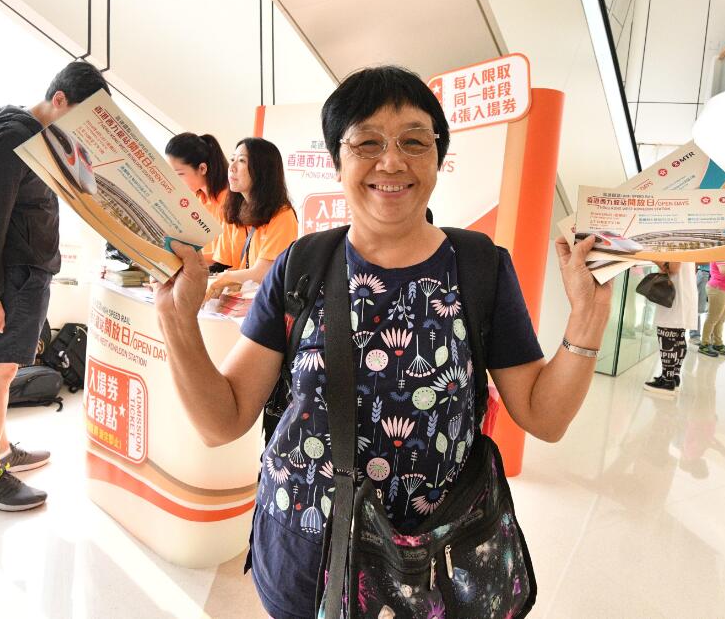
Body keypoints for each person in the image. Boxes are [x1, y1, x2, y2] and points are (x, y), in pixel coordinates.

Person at [154, 65, 612, 618]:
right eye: (367, 142)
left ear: (438, 157)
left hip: (434, 561)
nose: (391, 162)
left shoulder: (479, 268)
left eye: (414, 142)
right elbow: (221, 421)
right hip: (305, 555)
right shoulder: (303, 264)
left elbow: (545, 416)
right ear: (337, 160)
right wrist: (177, 321)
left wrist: (587, 317)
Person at [0, 60, 110, 510]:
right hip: (12, 276)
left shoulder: (39, 139)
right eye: (81, 117)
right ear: (60, 100)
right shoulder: (12, 137)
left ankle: (1, 453)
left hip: (27, 274)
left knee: (5, 372)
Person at [207, 137, 297, 299]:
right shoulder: (233, 211)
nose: (232, 167)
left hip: (265, 302)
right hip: (238, 300)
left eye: (242, 161)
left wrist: (226, 278)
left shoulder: (282, 215)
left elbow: (263, 273)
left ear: (262, 170)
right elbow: (226, 265)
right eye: (232, 159)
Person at [165, 132, 230, 261]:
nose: (175, 181)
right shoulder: (198, 199)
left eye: (179, 174)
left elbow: (226, 257)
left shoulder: (228, 201)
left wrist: (181, 258)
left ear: (202, 169)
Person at [645, 261, 697, 397]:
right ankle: (674, 377)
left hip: (674, 292)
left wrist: (655, 259)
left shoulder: (678, 247)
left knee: (667, 335)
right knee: (678, 336)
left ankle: (667, 381)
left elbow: (673, 267)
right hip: (685, 290)